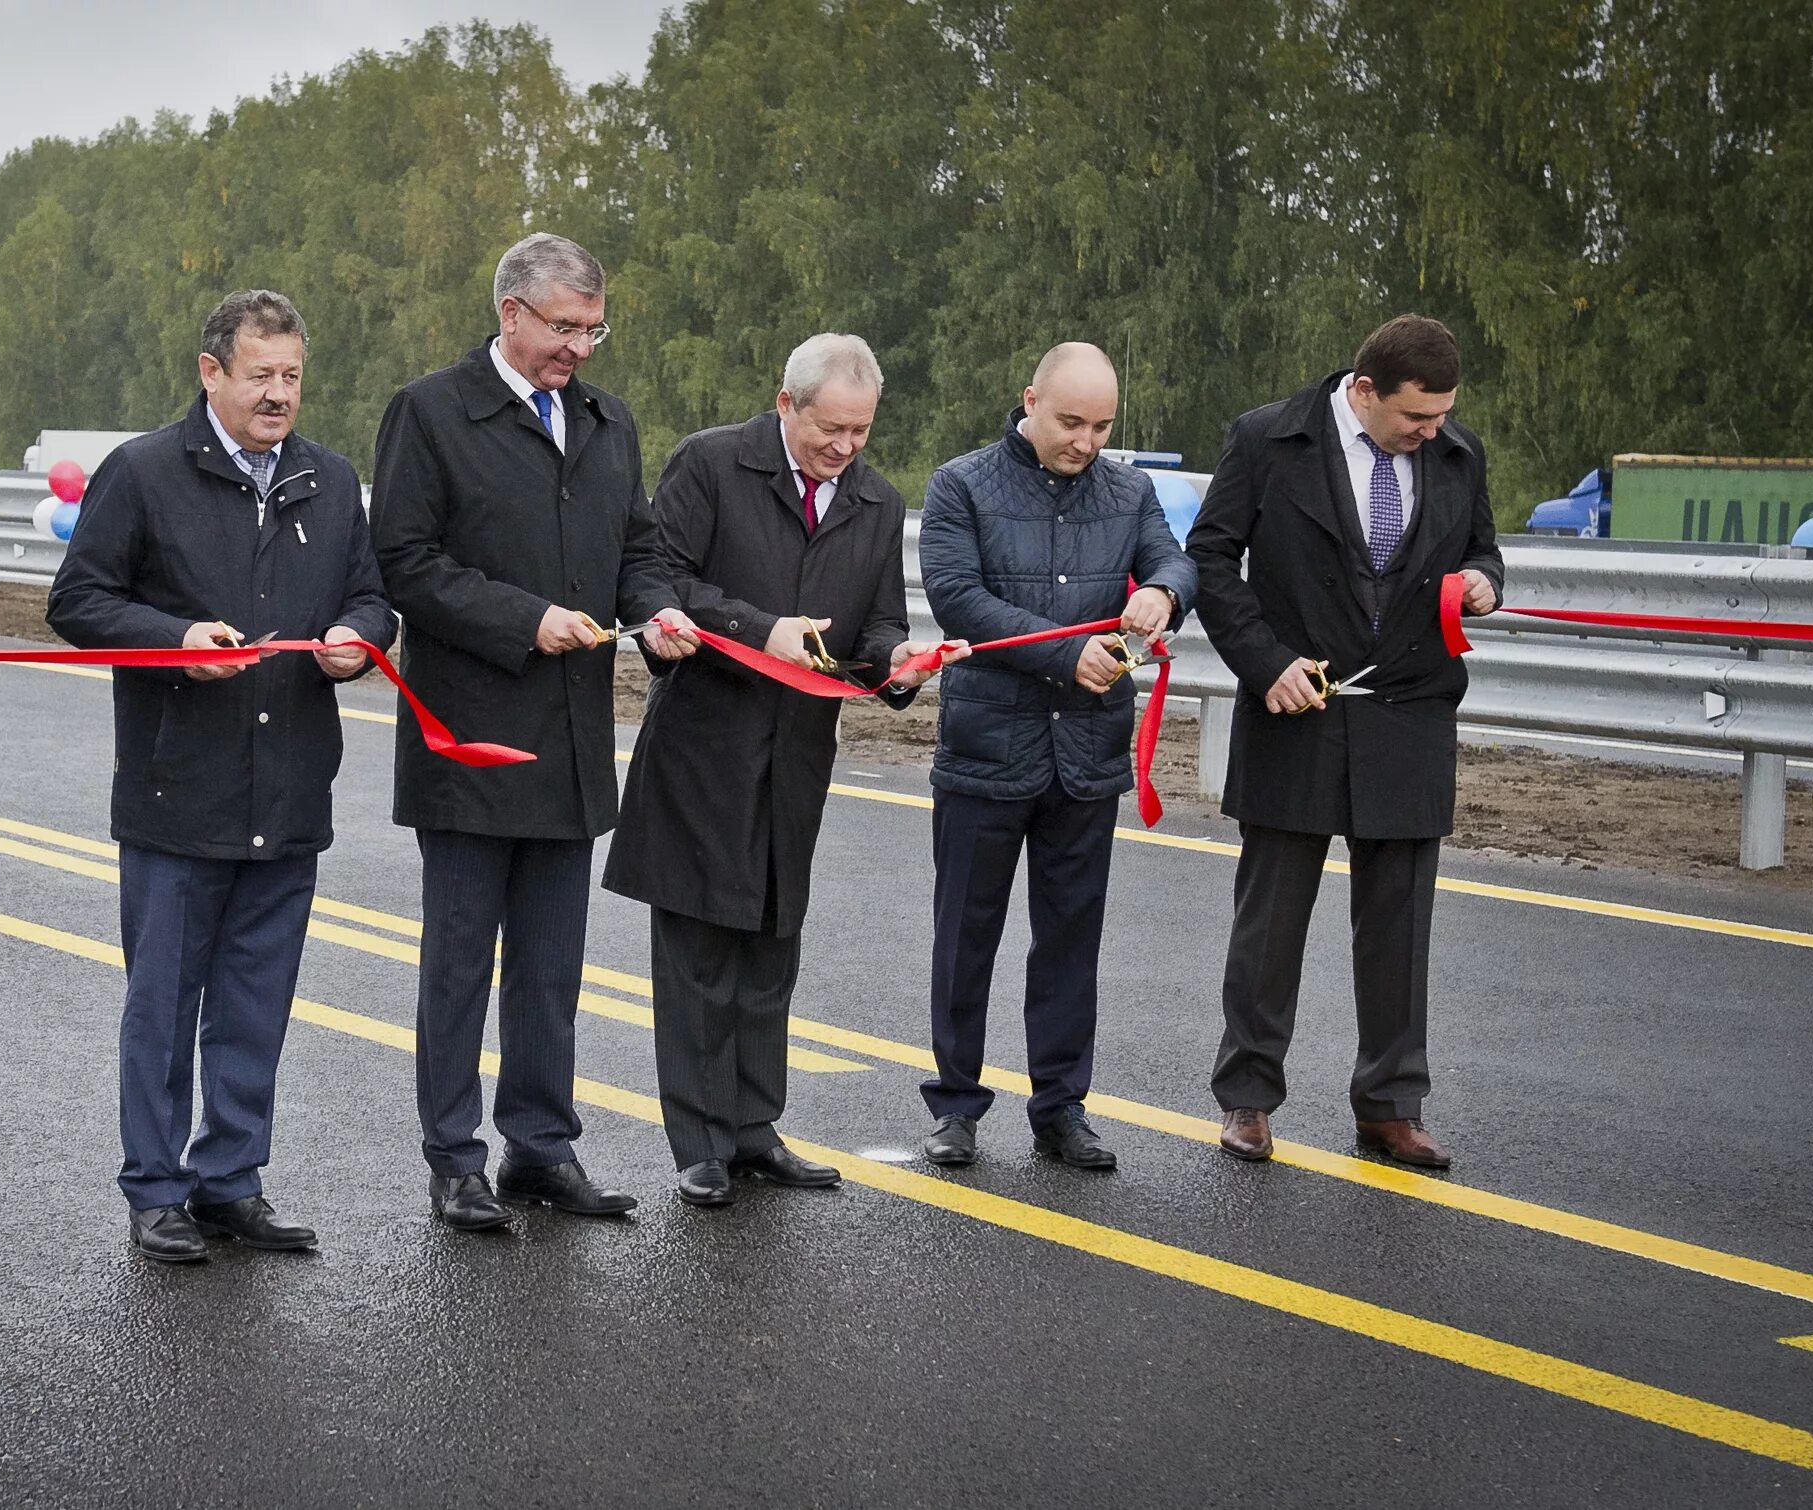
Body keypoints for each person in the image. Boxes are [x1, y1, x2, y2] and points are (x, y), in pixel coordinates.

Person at [46, 290, 394, 1263]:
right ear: (211, 373)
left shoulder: (329, 480)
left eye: (291, 375)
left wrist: (358, 640)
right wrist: (171, 640)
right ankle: (155, 1190)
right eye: (260, 376)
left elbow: (371, 595)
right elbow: (79, 602)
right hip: (176, 793)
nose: (279, 394)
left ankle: (229, 1181)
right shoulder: (145, 474)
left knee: (254, 1006)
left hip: (287, 795)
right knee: (163, 1009)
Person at [604, 334, 960, 1207]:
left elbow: (871, 628)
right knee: (697, 950)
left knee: (771, 941)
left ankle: (756, 1128)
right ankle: (699, 1141)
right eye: (831, 429)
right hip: (702, 746)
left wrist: (898, 665)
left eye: (862, 432)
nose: (846, 448)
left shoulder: (876, 502)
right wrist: (760, 626)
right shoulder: (712, 464)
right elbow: (658, 577)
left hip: (798, 754)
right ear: (786, 404)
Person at [370, 232, 664, 1232]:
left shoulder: (607, 420)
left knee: (551, 966)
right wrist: (522, 619)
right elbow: (404, 561)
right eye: (563, 327)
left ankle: (542, 1145)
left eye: (592, 327)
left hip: (574, 743)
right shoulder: (432, 410)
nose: (579, 346)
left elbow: (639, 546)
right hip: (472, 740)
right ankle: (455, 1159)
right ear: (511, 314)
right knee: (458, 964)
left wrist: (658, 610)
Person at [1186, 314, 1506, 1170]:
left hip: (1410, 714)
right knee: (1271, 924)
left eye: (1442, 416)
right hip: (1298, 711)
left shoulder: (1455, 452)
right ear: (1363, 391)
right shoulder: (1266, 439)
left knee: (1400, 930)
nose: (1431, 432)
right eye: (1415, 418)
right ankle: (1248, 1098)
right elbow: (1211, 561)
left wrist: (1483, 582)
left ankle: (1391, 1106)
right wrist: (1266, 664)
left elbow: (1484, 549)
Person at [913, 342, 1195, 1173]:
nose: (1086, 440)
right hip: (986, 749)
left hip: (1087, 755)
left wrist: (1164, 590)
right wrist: (1062, 657)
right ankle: (956, 1106)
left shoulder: (1130, 488)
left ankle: (1061, 1108)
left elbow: (1177, 556)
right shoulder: (959, 484)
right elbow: (958, 596)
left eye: (1102, 425)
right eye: (1070, 421)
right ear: (1029, 399)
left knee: (1071, 940)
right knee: (965, 936)